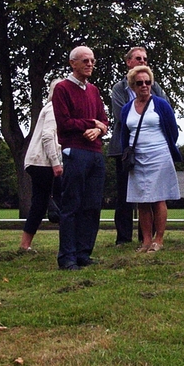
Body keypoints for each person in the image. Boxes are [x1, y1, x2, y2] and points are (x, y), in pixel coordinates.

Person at [52, 45, 109, 270]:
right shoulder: (62, 89)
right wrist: (90, 123)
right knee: (72, 205)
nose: (90, 64)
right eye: (85, 60)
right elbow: (64, 123)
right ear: (72, 63)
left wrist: (98, 130)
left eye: (92, 61)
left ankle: (84, 253)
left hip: (95, 152)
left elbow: (103, 120)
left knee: (93, 205)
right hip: (75, 151)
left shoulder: (94, 91)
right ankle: (67, 257)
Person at [108, 46, 168, 246]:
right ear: (128, 62)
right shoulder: (119, 88)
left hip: (153, 150)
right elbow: (120, 116)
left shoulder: (155, 86)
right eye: (138, 58)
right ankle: (124, 238)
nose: (142, 61)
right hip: (126, 150)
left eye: (145, 58)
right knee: (126, 194)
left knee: (152, 195)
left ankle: (148, 238)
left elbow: (165, 110)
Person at [118, 65, 181, 252]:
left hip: (159, 155)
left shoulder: (161, 105)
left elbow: (173, 131)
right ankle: (146, 240)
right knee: (142, 200)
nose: (144, 86)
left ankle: (158, 239)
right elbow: (124, 134)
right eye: (139, 83)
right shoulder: (127, 109)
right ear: (133, 86)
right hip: (137, 158)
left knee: (158, 198)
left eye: (147, 82)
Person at [20, 79, 64, 252]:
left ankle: (25, 244)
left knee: (39, 202)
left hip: (37, 161)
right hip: (43, 162)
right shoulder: (54, 108)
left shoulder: (48, 108)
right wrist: (56, 163)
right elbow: (48, 136)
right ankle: (68, 243)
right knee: (59, 201)